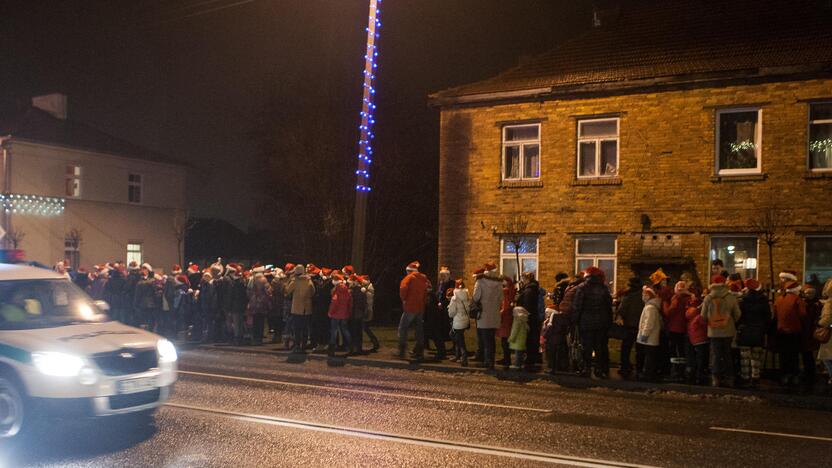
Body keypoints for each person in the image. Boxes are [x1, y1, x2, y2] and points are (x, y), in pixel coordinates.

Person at [572, 266, 613, 379]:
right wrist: (609, 321)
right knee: (599, 347)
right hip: (601, 323)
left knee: (587, 346)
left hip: (586, 322)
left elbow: (577, 306)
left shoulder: (582, 287)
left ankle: (586, 368)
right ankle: (599, 370)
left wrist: (575, 321)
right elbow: (608, 306)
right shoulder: (604, 288)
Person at [701, 274, 742, 387]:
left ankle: (716, 378)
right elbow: (738, 315)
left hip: (713, 331)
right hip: (728, 331)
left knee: (715, 355)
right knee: (727, 354)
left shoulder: (708, 298)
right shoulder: (730, 297)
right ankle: (729, 378)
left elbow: (703, 316)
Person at [773, 270, 806, 385]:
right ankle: (794, 375)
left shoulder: (779, 299)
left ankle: (784, 375)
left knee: (784, 355)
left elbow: (775, 315)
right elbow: (803, 315)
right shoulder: (798, 300)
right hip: (795, 331)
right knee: (794, 355)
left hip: (781, 330)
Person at [736, 279, 770, 387]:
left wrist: (738, 327)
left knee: (745, 356)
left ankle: (745, 377)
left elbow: (739, 317)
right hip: (758, 331)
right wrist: (765, 329)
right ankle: (755, 376)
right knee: (756, 356)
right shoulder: (763, 300)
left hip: (745, 330)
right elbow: (768, 317)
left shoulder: (743, 301)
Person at [397, 261, 432, 360]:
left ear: (408, 271)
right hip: (420, 307)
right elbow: (426, 292)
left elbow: (403, 290)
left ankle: (402, 350)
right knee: (419, 329)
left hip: (410, 307)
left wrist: (404, 300)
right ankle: (420, 351)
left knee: (403, 328)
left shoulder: (408, 278)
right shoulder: (424, 278)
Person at [472, 262, 503, 370]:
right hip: (494, 314)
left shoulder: (480, 281)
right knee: (491, 339)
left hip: (483, 314)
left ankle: (486, 361)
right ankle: (491, 360)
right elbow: (501, 299)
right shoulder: (499, 283)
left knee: (484, 339)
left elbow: (476, 297)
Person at [615, 277, 644, 378]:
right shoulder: (643, 295)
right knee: (639, 349)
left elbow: (622, 310)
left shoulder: (628, 296)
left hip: (629, 326)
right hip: (641, 326)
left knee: (626, 348)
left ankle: (625, 367)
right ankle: (640, 368)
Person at [664, 281, 692, 380]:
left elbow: (670, 311)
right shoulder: (689, 298)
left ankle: (675, 371)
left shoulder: (676, 298)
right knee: (682, 350)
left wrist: (665, 305)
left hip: (674, 327)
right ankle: (682, 370)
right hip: (685, 328)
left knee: (673, 350)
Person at [286, 264, 315, 353]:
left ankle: (297, 345)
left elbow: (287, 290)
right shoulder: (309, 281)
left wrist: (289, 280)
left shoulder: (295, 281)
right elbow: (313, 292)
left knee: (297, 329)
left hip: (296, 308)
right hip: (306, 309)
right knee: (305, 329)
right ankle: (304, 346)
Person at [637, 286, 663, 382]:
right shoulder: (652, 307)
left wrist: (644, 335)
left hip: (649, 338)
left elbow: (648, 323)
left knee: (649, 357)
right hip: (651, 338)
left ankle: (648, 375)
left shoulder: (650, 308)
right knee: (650, 357)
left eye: (645, 295)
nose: (643, 296)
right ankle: (649, 374)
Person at [517, 271, 541, 370]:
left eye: (523, 278)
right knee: (532, 339)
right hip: (533, 318)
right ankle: (531, 359)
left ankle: (530, 361)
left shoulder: (529, 291)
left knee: (530, 340)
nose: (522, 280)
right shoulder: (531, 289)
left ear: (526, 279)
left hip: (529, 318)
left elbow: (527, 305)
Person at [685, 293, 709, 385]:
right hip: (702, 339)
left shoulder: (689, 314)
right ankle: (700, 375)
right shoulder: (700, 316)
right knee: (702, 359)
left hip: (693, 339)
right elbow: (705, 325)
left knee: (694, 358)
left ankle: (692, 373)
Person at [801, 283, 822, 385]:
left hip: (811, 333)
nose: (807, 295)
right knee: (806, 355)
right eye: (806, 293)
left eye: (809, 293)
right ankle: (808, 373)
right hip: (805, 333)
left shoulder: (816, 305)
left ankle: (811, 375)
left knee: (810, 355)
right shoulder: (805, 304)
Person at [328, 274, 352, 357]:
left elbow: (334, 303)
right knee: (345, 330)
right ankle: (350, 346)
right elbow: (350, 302)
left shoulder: (337, 290)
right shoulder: (347, 290)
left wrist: (330, 312)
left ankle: (331, 349)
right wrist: (348, 312)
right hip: (344, 314)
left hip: (336, 314)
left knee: (334, 331)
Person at [447, 280, 470, 366]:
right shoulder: (467, 295)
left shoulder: (455, 298)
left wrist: (449, 309)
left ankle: (464, 357)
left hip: (457, 321)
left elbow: (451, 313)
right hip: (465, 320)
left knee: (458, 338)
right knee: (458, 336)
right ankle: (458, 355)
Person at [311, 268, 333, 351]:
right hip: (320, 308)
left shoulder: (329, 284)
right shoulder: (322, 283)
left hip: (324, 308)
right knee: (320, 326)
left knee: (324, 327)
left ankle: (323, 343)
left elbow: (324, 295)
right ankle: (321, 343)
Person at [248, 274, 272, 346]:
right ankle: (259, 339)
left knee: (255, 321)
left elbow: (249, 292)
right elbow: (269, 292)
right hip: (262, 304)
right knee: (261, 322)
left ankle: (255, 338)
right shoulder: (264, 281)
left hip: (254, 303)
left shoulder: (253, 281)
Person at [497, 277, 516, 367]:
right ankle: (506, 358)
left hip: (504, 320)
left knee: (504, 341)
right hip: (508, 319)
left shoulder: (505, 293)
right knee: (505, 340)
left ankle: (506, 359)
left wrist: (499, 315)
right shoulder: (511, 292)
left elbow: (505, 307)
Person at [817, 278, 832, 386]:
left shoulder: (829, 303)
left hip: (830, 335)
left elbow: (826, 320)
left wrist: (820, 323)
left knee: (826, 357)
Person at [348, 275, 368, 355]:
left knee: (353, 332)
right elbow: (364, 304)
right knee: (359, 332)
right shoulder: (362, 292)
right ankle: (358, 348)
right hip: (359, 315)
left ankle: (353, 348)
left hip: (353, 315)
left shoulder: (352, 292)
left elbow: (351, 304)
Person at [361, 275, 380, 353]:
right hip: (367, 310)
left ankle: (375, 342)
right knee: (365, 328)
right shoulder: (368, 288)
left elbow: (367, 300)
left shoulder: (369, 289)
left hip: (367, 311)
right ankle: (375, 342)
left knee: (365, 327)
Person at [508, 306, 529, 370]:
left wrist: (511, 338)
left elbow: (515, 330)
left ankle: (517, 365)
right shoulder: (524, 320)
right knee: (520, 353)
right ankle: (520, 364)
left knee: (517, 353)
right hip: (522, 338)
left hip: (517, 339)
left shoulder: (517, 320)